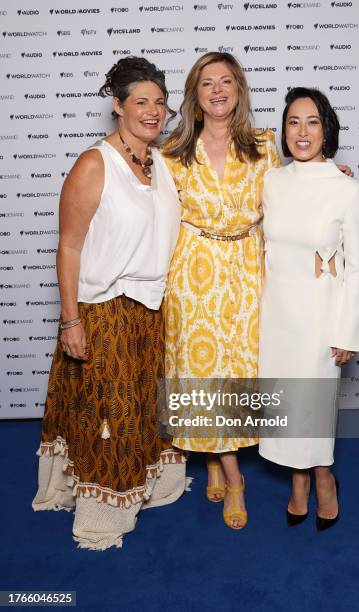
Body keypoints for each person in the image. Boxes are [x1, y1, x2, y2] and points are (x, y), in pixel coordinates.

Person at [32, 57, 186, 550]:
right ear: (118, 106)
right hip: (105, 309)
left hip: (151, 308)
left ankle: (146, 487)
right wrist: (70, 320)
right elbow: (70, 247)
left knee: (143, 408)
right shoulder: (94, 163)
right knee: (108, 415)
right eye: (140, 101)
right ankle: (102, 517)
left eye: (160, 102)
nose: (152, 111)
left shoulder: (161, 162)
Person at [163, 52, 281, 529]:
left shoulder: (263, 145)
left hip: (249, 270)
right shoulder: (171, 151)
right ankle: (235, 479)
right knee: (200, 368)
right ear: (195, 94)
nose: (217, 89)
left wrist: (334, 180)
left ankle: (214, 456)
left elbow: (291, 198)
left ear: (239, 89)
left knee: (239, 370)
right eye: (207, 82)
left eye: (226, 81)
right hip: (193, 271)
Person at [258, 87, 359, 530]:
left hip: (322, 316)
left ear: (327, 128)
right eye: (293, 122)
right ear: (283, 131)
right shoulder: (270, 180)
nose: (302, 132)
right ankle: (297, 480)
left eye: (312, 122)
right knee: (286, 403)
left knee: (315, 405)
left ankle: (323, 477)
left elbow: (357, 268)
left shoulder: (347, 188)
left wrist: (347, 332)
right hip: (276, 313)